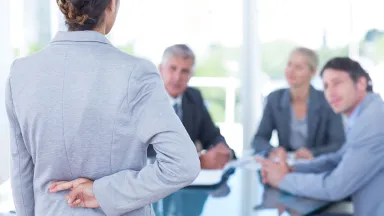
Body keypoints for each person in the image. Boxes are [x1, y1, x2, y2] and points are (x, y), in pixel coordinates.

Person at [6, 1, 201, 215]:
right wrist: (101, 193)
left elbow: (21, 175)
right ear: (111, 5)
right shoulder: (137, 73)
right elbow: (183, 165)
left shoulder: (20, 73)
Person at [256, 57, 384, 216]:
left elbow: (336, 186)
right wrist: (294, 168)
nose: (330, 93)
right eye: (326, 86)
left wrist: (282, 179)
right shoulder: (366, 113)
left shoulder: (373, 121)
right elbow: (339, 158)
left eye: (337, 83)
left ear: (361, 83)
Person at [148, 44, 234, 169]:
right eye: (173, 68)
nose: (177, 77)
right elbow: (144, 156)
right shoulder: (145, 100)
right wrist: (198, 162)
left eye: (185, 71)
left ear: (191, 74)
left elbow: (212, 136)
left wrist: (223, 152)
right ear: (161, 69)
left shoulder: (194, 97)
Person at [253, 47, 345, 160]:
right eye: (289, 64)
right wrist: (273, 150)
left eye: (299, 67)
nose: (290, 71)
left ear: (313, 72)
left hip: (318, 166)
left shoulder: (326, 100)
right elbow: (259, 139)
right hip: (285, 165)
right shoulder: (275, 99)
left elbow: (338, 144)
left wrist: (313, 153)